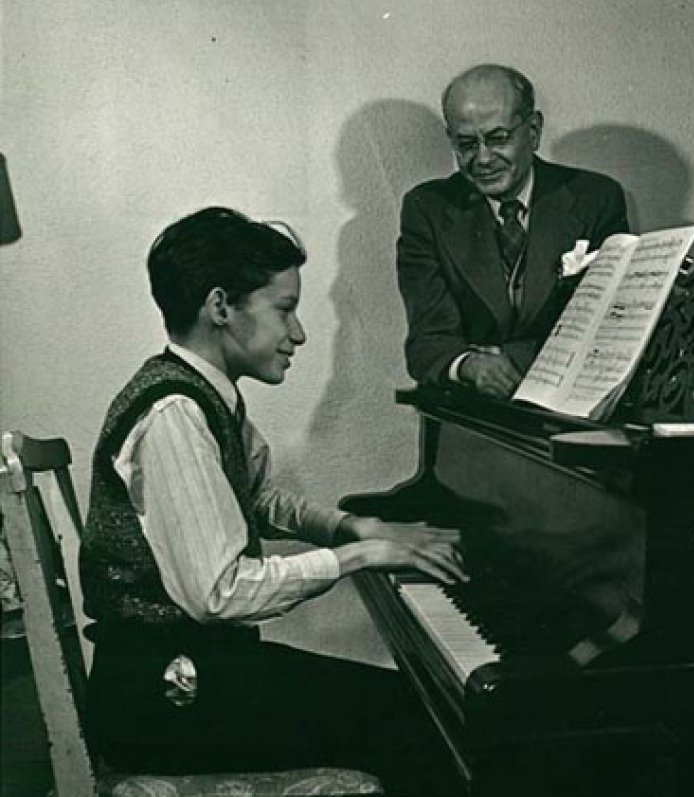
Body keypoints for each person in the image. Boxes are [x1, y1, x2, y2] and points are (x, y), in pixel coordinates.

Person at [78, 207, 466, 795]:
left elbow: (257, 498)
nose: (300, 332)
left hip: (192, 673)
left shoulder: (207, 396)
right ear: (220, 307)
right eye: (284, 308)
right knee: (415, 720)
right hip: (161, 700)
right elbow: (219, 592)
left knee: (414, 707)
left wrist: (351, 526)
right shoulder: (173, 413)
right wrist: (360, 558)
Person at [397, 64, 629, 399]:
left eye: (498, 138)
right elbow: (427, 341)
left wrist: (510, 358)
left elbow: (605, 330)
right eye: (465, 144)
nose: (483, 158)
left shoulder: (595, 199)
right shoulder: (426, 209)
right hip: (472, 416)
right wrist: (469, 365)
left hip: (569, 408)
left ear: (533, 131)